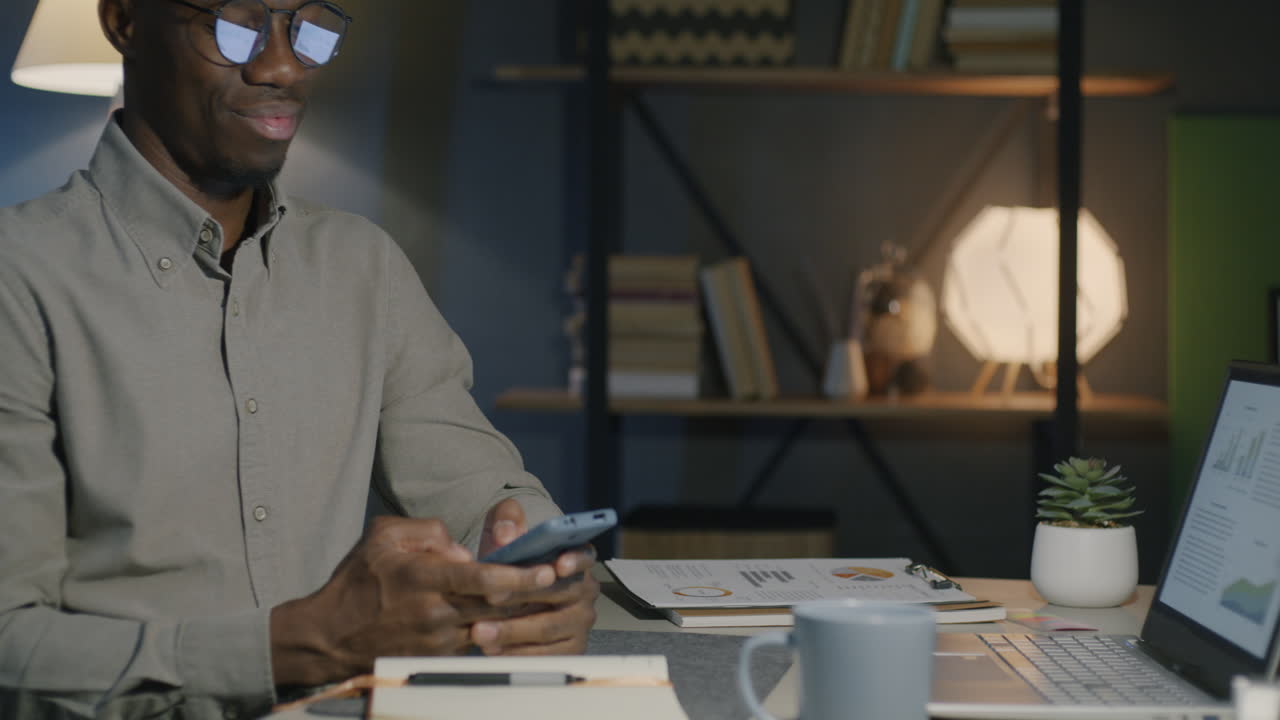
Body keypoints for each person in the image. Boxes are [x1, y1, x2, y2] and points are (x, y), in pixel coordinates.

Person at [0, 1, 599, 718]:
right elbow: (10, 644)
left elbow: (484, 492)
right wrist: (297, 645)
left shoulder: (361, 266)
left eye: (309, 28)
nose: (283, 66)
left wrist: (539, 571)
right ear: (125, 21)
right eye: (236, 24)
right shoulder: (20, 278)